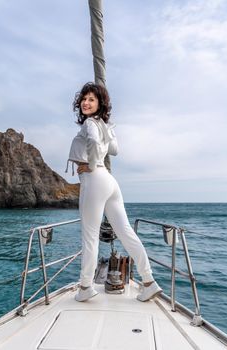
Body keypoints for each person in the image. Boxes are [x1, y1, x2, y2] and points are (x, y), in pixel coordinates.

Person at [66, 82, 162, 302]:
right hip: (110, 182)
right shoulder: (104, 125)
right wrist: (105, 137)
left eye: (91, 99)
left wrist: (90, 164)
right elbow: (115, 150)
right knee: (126, 231)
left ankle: (85, 287)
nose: (86, 102)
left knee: (90, 237)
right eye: (84, 99)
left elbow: (91, 141)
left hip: (94, 179)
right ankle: (149, 281)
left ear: (100, 103)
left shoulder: (91, 123)